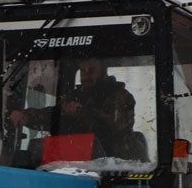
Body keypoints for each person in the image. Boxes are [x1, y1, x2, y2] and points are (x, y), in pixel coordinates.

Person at [9, 58, 140, 159]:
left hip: (115, 166)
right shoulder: (76, 95)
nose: (86, 76)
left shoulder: (120, 96)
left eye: (91, 70)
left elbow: (114, 127)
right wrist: (27, 116)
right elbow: (55, 117)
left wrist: (81, 113)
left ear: (103, 72)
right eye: (83, 71)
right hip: (76, 163)